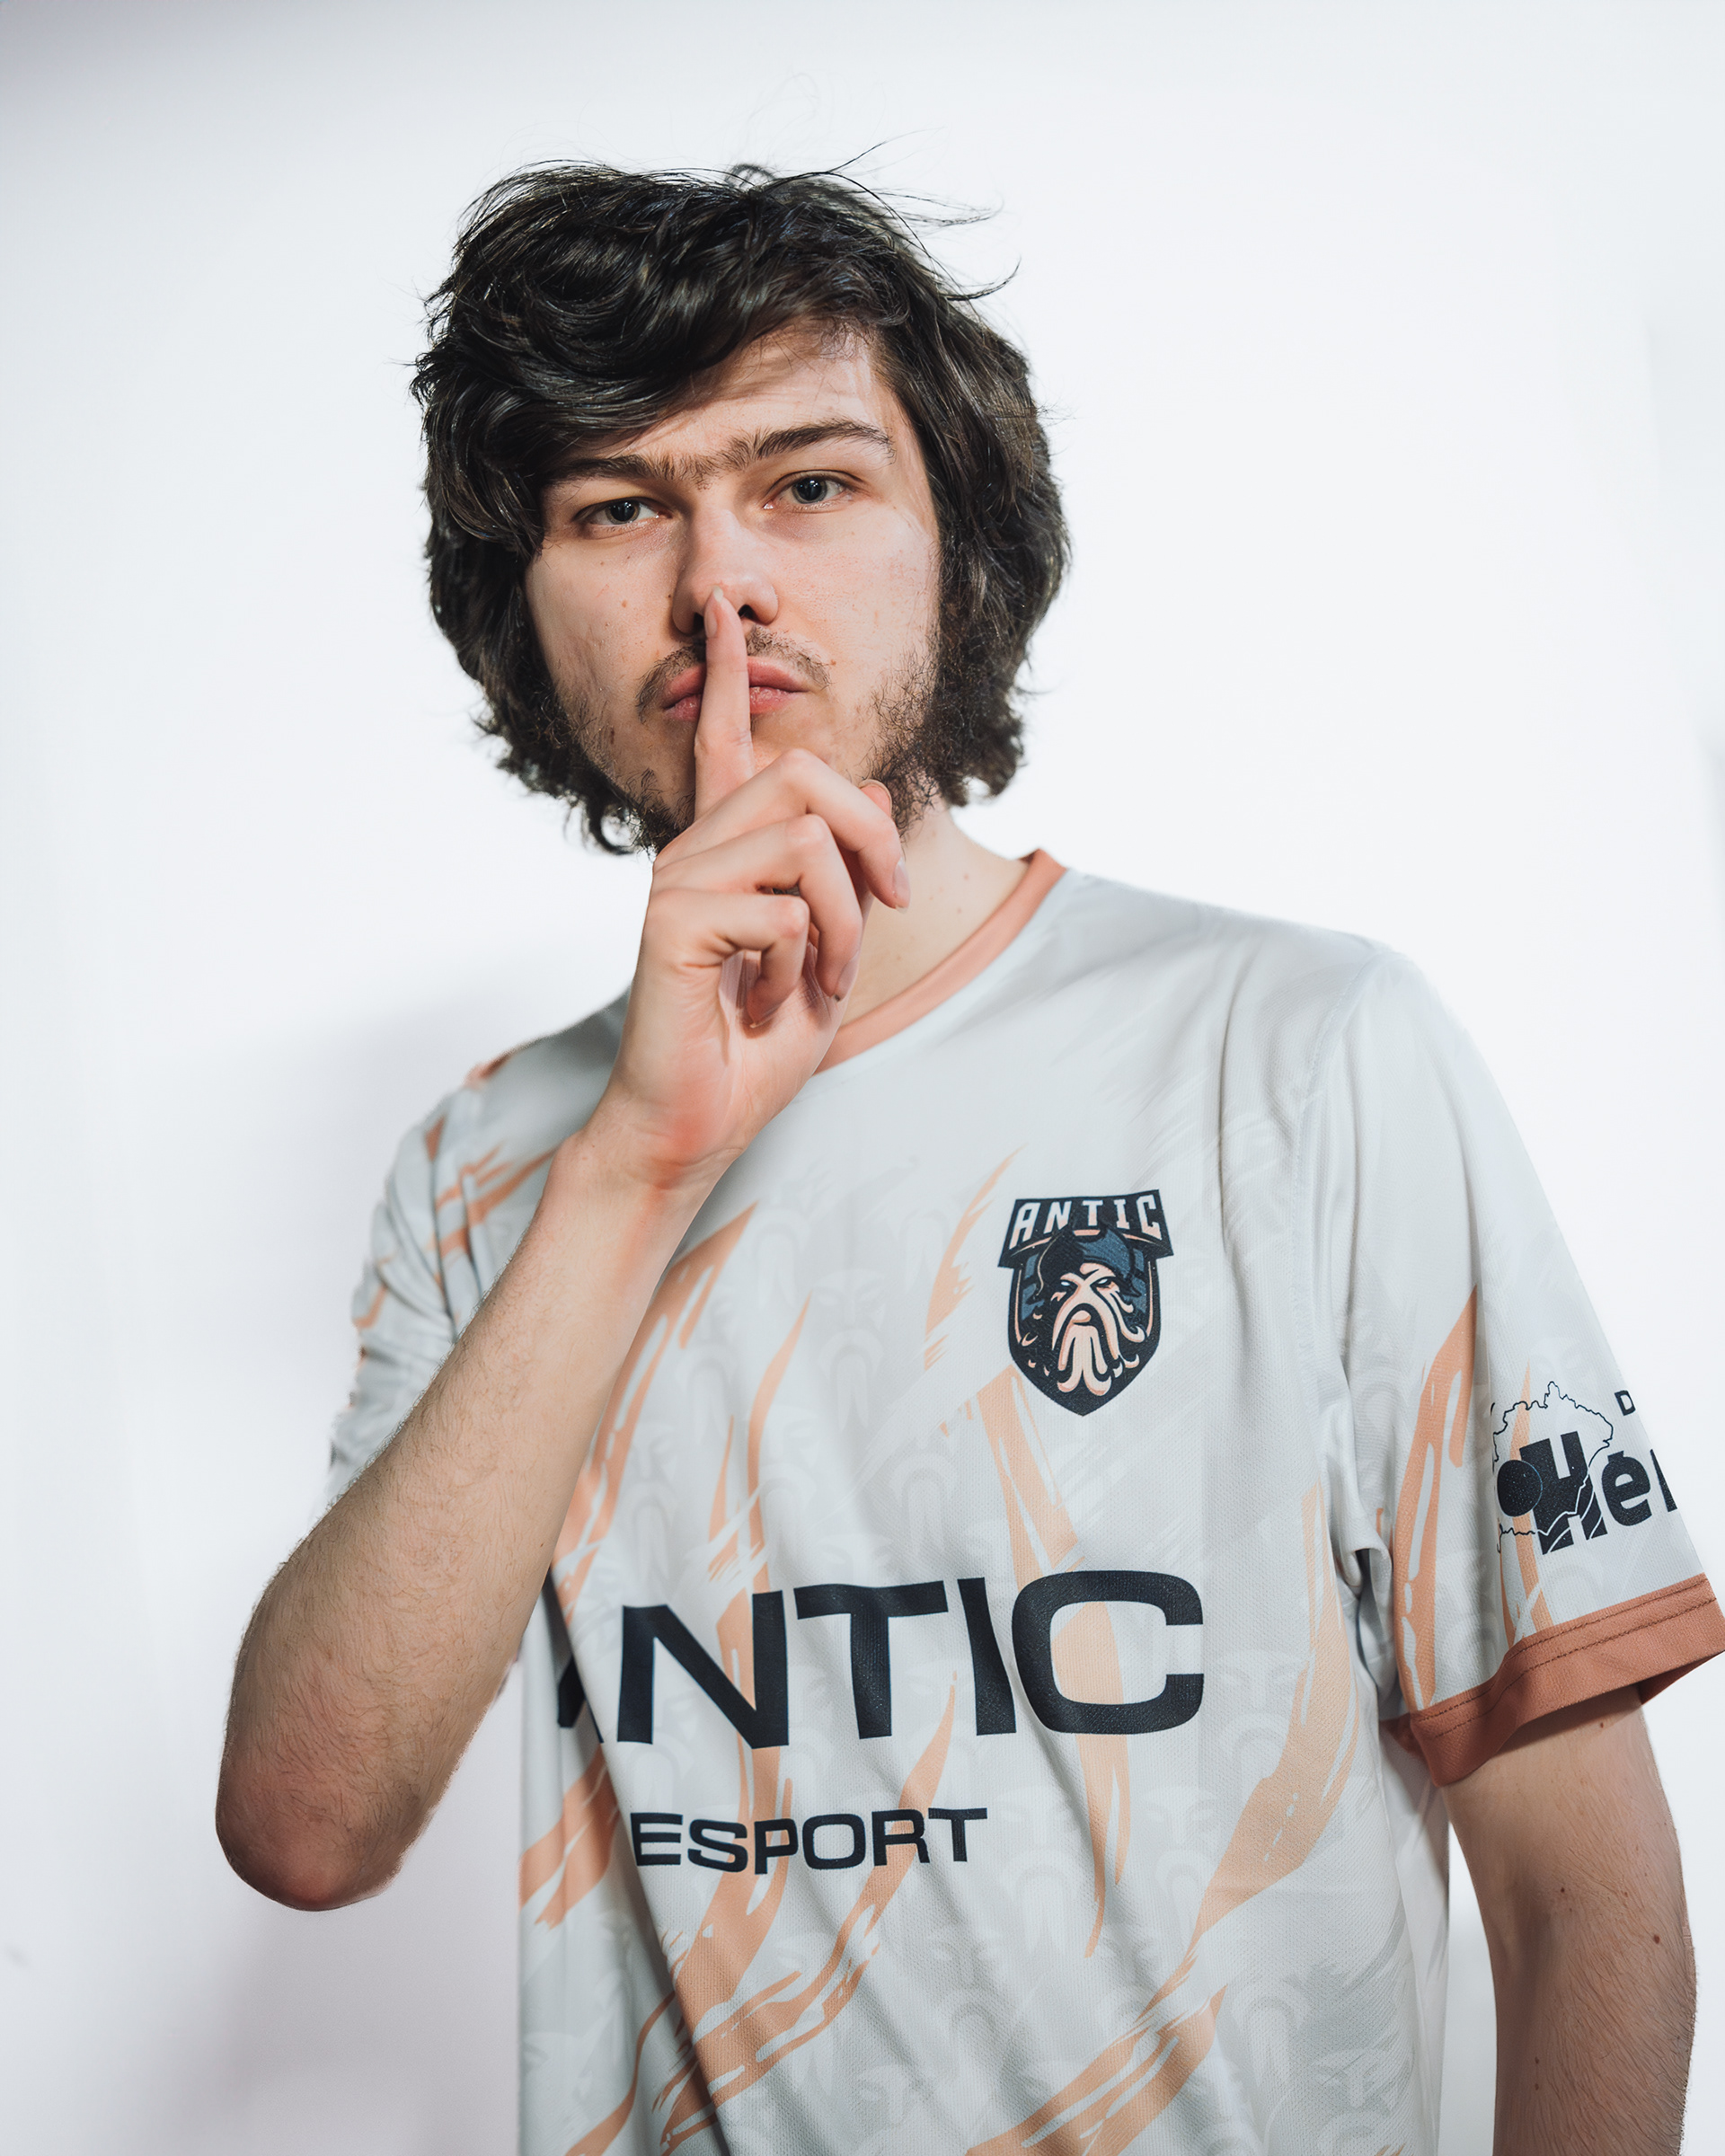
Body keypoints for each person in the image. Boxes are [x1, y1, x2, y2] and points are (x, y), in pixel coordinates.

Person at [217, 163, 1721, 2155]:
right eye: (617, 508)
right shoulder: (489, 1163)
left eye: (808, 482)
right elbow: (308, 1824)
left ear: (962, 549)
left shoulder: (1298, 1054)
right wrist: (638, 1162)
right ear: (525, 610)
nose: (720, 586)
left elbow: (1584, 1897)